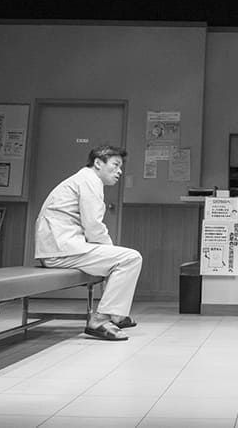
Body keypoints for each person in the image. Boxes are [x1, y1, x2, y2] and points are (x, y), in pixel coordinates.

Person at [35, 144, 143, 341]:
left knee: (119, 258)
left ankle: (116, 315)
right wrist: (112, 250)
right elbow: (93, 226)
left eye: (121, 167)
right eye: (115, 165)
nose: (119, 172)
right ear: (98, 163)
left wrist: (110, 251)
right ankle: (100, 320)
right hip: (61, 250)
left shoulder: (83, 179)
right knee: (130, 258)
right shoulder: (89, 181)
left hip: (61, 247)